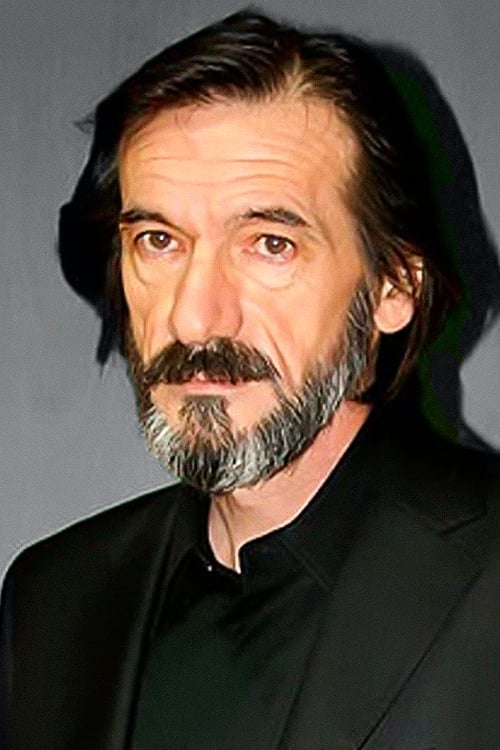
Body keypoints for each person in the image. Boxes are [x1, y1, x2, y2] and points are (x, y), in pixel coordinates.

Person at [2, 9, 500, 750]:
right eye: (159, 241)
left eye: (269, 244)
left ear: (393, 287)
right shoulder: (53, 599)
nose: (195, 317)